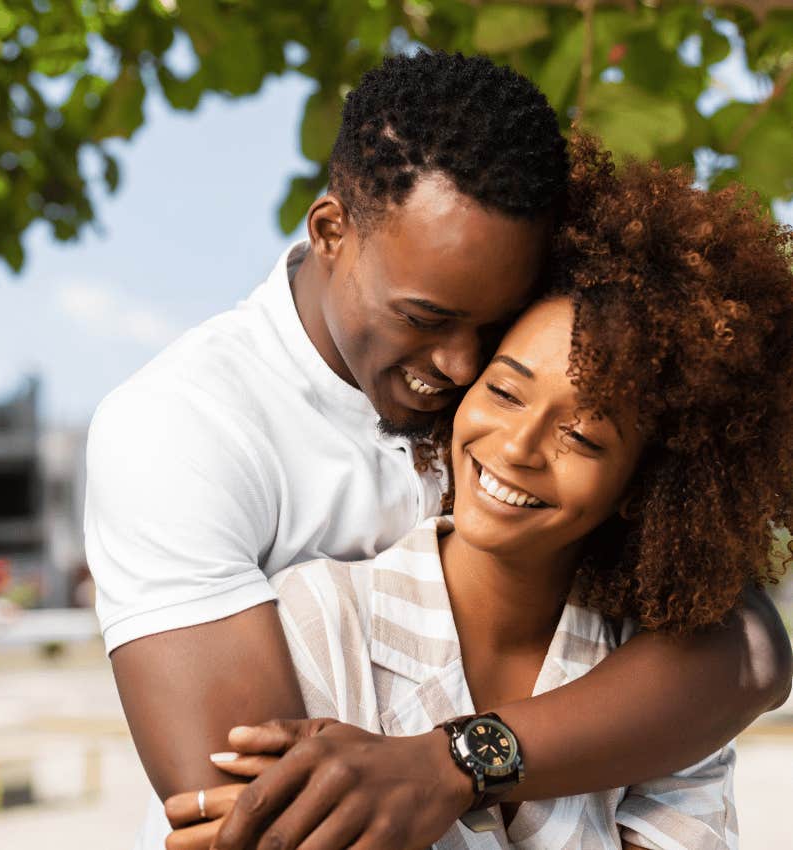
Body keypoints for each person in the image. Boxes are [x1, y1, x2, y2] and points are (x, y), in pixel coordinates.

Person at [83, 53, 791, 849]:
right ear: (330, 233)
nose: (461, 367)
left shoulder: (528, 367)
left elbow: (751, 654)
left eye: (491, 330)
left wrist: (454, 761)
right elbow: (266, 825)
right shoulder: (181, 428)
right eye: (426, 317)